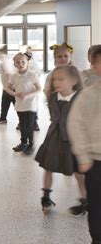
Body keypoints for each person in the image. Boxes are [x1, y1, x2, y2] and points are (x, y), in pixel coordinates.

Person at [35, 65, 87, 215]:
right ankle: (46, 198)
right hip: (54, 139)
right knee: (48, 168)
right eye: (54, 79)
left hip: (74, 140)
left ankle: (85, 201)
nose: (56, 82)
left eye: (61, 79)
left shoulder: (81, 98)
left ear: (74, 81)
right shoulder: (53, 97)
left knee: (79, 173)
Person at [68, 50, 101, 244]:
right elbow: (75, 125)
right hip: (96, 161)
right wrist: (83, 156)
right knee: (97, 208)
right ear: (95, 67)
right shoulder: (88, 95)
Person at [7, 52, 40, 155]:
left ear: (27, 63)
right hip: (20, 105)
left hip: (31, 105)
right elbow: (8, 88)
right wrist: (14, 93)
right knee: (22, 125)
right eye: (18, 62)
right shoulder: (13, 76)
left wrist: (27, 95)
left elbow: (39, 89)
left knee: (29, 126)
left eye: (23, 62)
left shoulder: (32, 74)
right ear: (14, 64)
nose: (20, 64)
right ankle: (23, 143)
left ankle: (31, 145)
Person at [0, 45, 15, 124]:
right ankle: (3, 118)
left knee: (16, 104)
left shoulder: (4, 60)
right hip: (6, 87)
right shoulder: (5, 59)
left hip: (10, 87)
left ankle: (23, 121)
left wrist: (11, 85)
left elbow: (9, 72)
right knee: (5, 103)